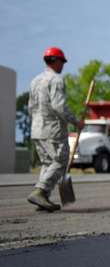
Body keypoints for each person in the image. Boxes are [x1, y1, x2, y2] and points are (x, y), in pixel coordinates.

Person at [27, 47, 80, 212]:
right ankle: (40, 191)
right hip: (53, 130)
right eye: (62, 62)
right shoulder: (56, 79)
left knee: (48, 163)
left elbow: (30, 107)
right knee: (61, 160)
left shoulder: (35, 81)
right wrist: (76, 122)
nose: (63, 65)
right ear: (56, 61)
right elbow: (59, 106)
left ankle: (43, 199)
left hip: (37, 129)